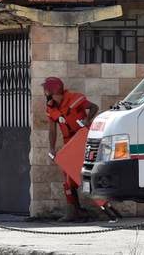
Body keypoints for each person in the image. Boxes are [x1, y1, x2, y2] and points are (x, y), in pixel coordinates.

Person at [42, 77, 99, 222]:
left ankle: (86, 208)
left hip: (82, 139)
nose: (44, 92)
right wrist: (52, 148)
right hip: (69, 143)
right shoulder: (51, 107)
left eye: (46, 90)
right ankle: (74, 210)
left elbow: (94, 107)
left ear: (52, 91)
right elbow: (52, 130)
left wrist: (87, 121)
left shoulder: (75, 98)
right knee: (67, 179)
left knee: (77, 176)